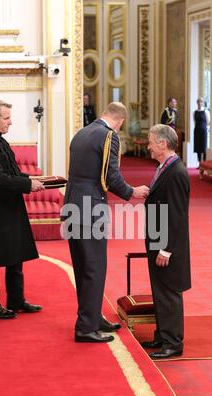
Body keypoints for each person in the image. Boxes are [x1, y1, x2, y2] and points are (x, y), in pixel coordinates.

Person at [64, 102, 149, 343]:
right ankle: (85, 328)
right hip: (91, 209)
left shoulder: (81, 133)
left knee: (83, 267)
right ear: (120, 121)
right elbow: (111, 176)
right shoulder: (108, 136)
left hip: (71, 206)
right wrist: (132, 192)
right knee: (94, 268)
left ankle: (92, 317)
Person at [0, 100, 45, 320]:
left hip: (9, 205)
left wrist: (33, 180)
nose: (10, 122)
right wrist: (27, 185)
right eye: (6, 118)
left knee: (16, 254)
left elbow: (10, 172)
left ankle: (16, 299)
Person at [141, 124, 191, 359]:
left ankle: (173, 344)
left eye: (151, 141)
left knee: (169, 291)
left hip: (166, 244)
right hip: (156, 239)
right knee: (159, 290)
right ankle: (163, 335)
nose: (148, 146)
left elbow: (177, 215)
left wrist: (167, 249)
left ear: (163, 143)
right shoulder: (164, 167)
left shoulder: (177, 172)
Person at [194, 97, 210, 166]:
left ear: (203, 103)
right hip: (197, 130)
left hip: (203, 130)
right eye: (198, 102)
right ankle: (200, 163)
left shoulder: (206, 111)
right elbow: (194, 121)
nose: (199, 103)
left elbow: (208, 121)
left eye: (201, 102)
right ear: (197, 103)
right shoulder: (194, 112)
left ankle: (205, 163)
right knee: (198, 147)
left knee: (204, 147)